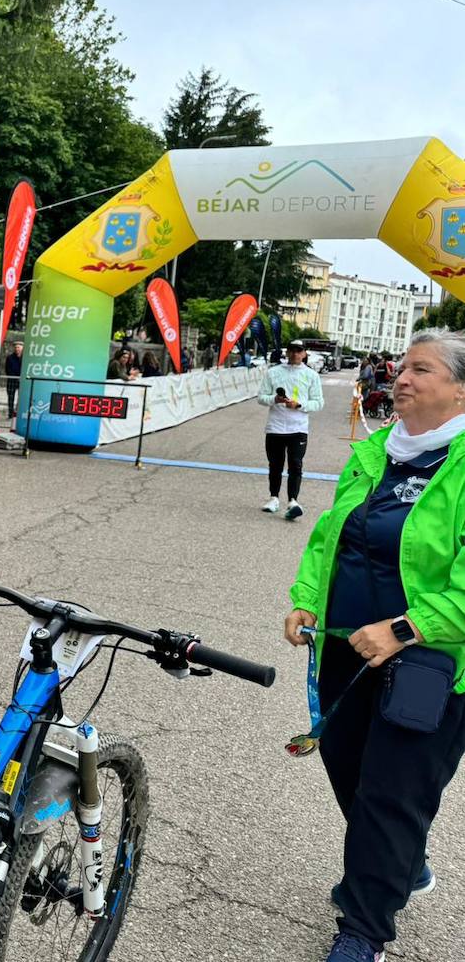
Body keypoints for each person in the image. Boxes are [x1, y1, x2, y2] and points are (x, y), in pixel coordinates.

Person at [284, 328, 465, 962]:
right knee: (349, 771)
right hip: (344, 649)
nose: (402, 377)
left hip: (429, 665)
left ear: (461, 390)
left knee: (391, 794)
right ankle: (399, 862)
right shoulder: (378, 450)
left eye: (421, 370)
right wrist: (307, 596)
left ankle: (363, 932)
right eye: (403, 368)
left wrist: (405, 629)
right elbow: (331, 536)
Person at [257, 339, 324, 521]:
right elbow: (261, 397)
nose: (295, 354)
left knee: (296, 465)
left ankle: (293, 501)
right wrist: (275, 400)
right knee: (275, 465)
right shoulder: (273, 372)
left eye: (299, 351)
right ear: (287, 353)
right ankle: (273, 498)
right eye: (292, 350)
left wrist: (299, 404)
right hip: (275, 427)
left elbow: (318, 402)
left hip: (298, 427)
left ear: (304, 354)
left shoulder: (311, 375)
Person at [4, 340, 23, 418]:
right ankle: (10, 413)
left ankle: (18, 412)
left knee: (21, 397)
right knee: (10, 397)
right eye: (15, 347)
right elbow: (7, 369)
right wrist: (15, 377)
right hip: (12, 380)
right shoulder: (10, 358)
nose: (17, 349)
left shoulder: (25, 358)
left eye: (18, 347)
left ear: (22, 348)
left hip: (21, 381)